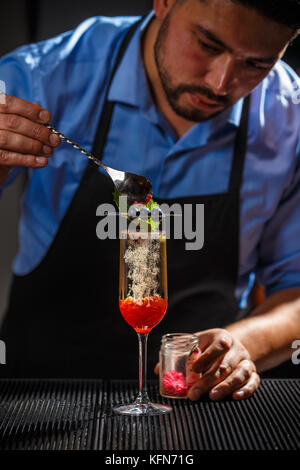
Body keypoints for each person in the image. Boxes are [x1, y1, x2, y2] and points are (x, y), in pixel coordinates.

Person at [0, 0, 299, 402]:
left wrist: (243, 344)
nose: (220, 83)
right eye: (208, 45)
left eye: (256, 65)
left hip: (194, 402)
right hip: (40, 396)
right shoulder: (41, 77)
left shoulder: (288, 118)